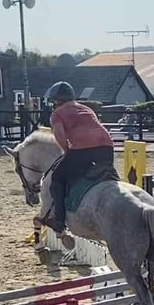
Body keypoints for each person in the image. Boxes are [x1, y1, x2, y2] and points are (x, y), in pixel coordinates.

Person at [43, 81, 117, 234]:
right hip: (107, 145)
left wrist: (67, 152)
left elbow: (60, 134)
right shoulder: (86, 108)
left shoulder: (57, 114)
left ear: (56, 100)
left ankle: (59, 221)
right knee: (103, 173)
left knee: (57, 178)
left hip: (84, 148)